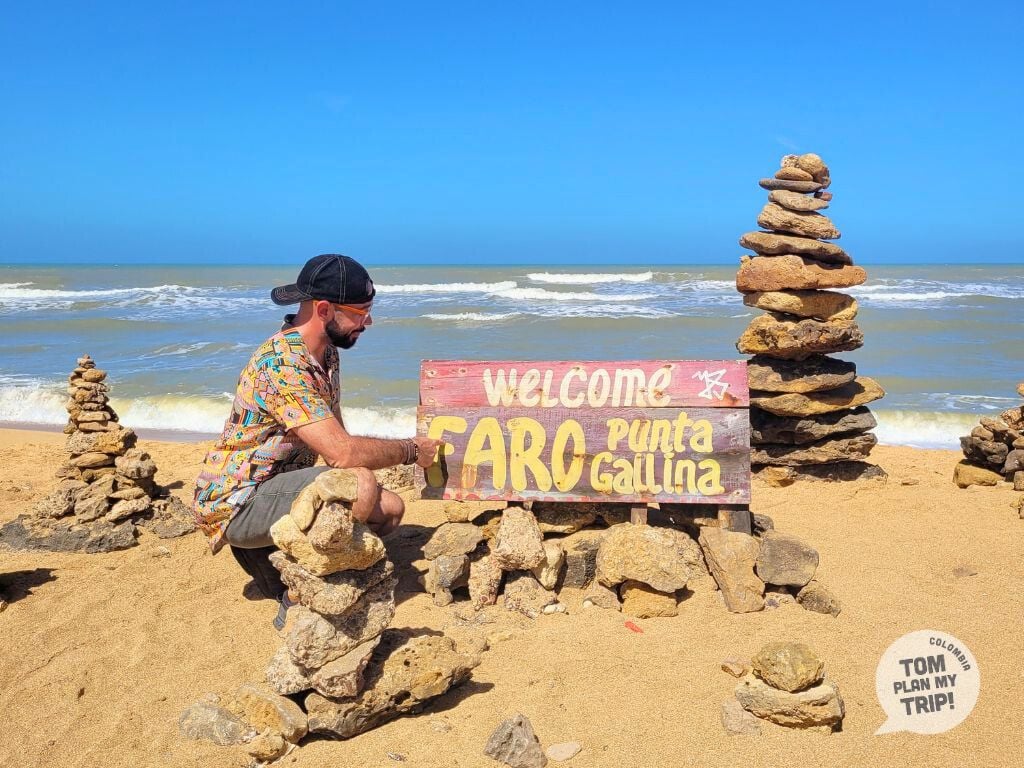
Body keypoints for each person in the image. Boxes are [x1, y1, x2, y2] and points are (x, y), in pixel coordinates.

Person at [192, 253, 441, 628]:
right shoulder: (282, 365)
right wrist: (410, 450)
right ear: (324, 309)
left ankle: (282, 560)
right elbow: (342, 454)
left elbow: (335, 443)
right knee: (360, 483)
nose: (368, 321)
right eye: (361, 311)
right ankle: (296, 595)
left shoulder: (325, 354)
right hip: (239, 501)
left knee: (389, 509)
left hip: (276, 493)